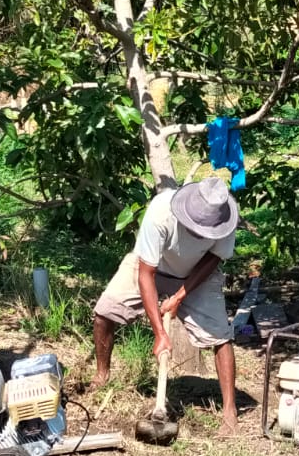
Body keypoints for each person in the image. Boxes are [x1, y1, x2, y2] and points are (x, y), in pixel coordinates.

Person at [91, 177, 240, 435]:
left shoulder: (226, 218)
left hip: (197, 275)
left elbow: (214, 258)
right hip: (153, 267)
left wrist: (180, 296)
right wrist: (160, 333)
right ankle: (102, 375)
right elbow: (145, 273)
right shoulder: (161, 210)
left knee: (221, 337)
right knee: (104, 312)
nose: (200, 234)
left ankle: (230, 411)